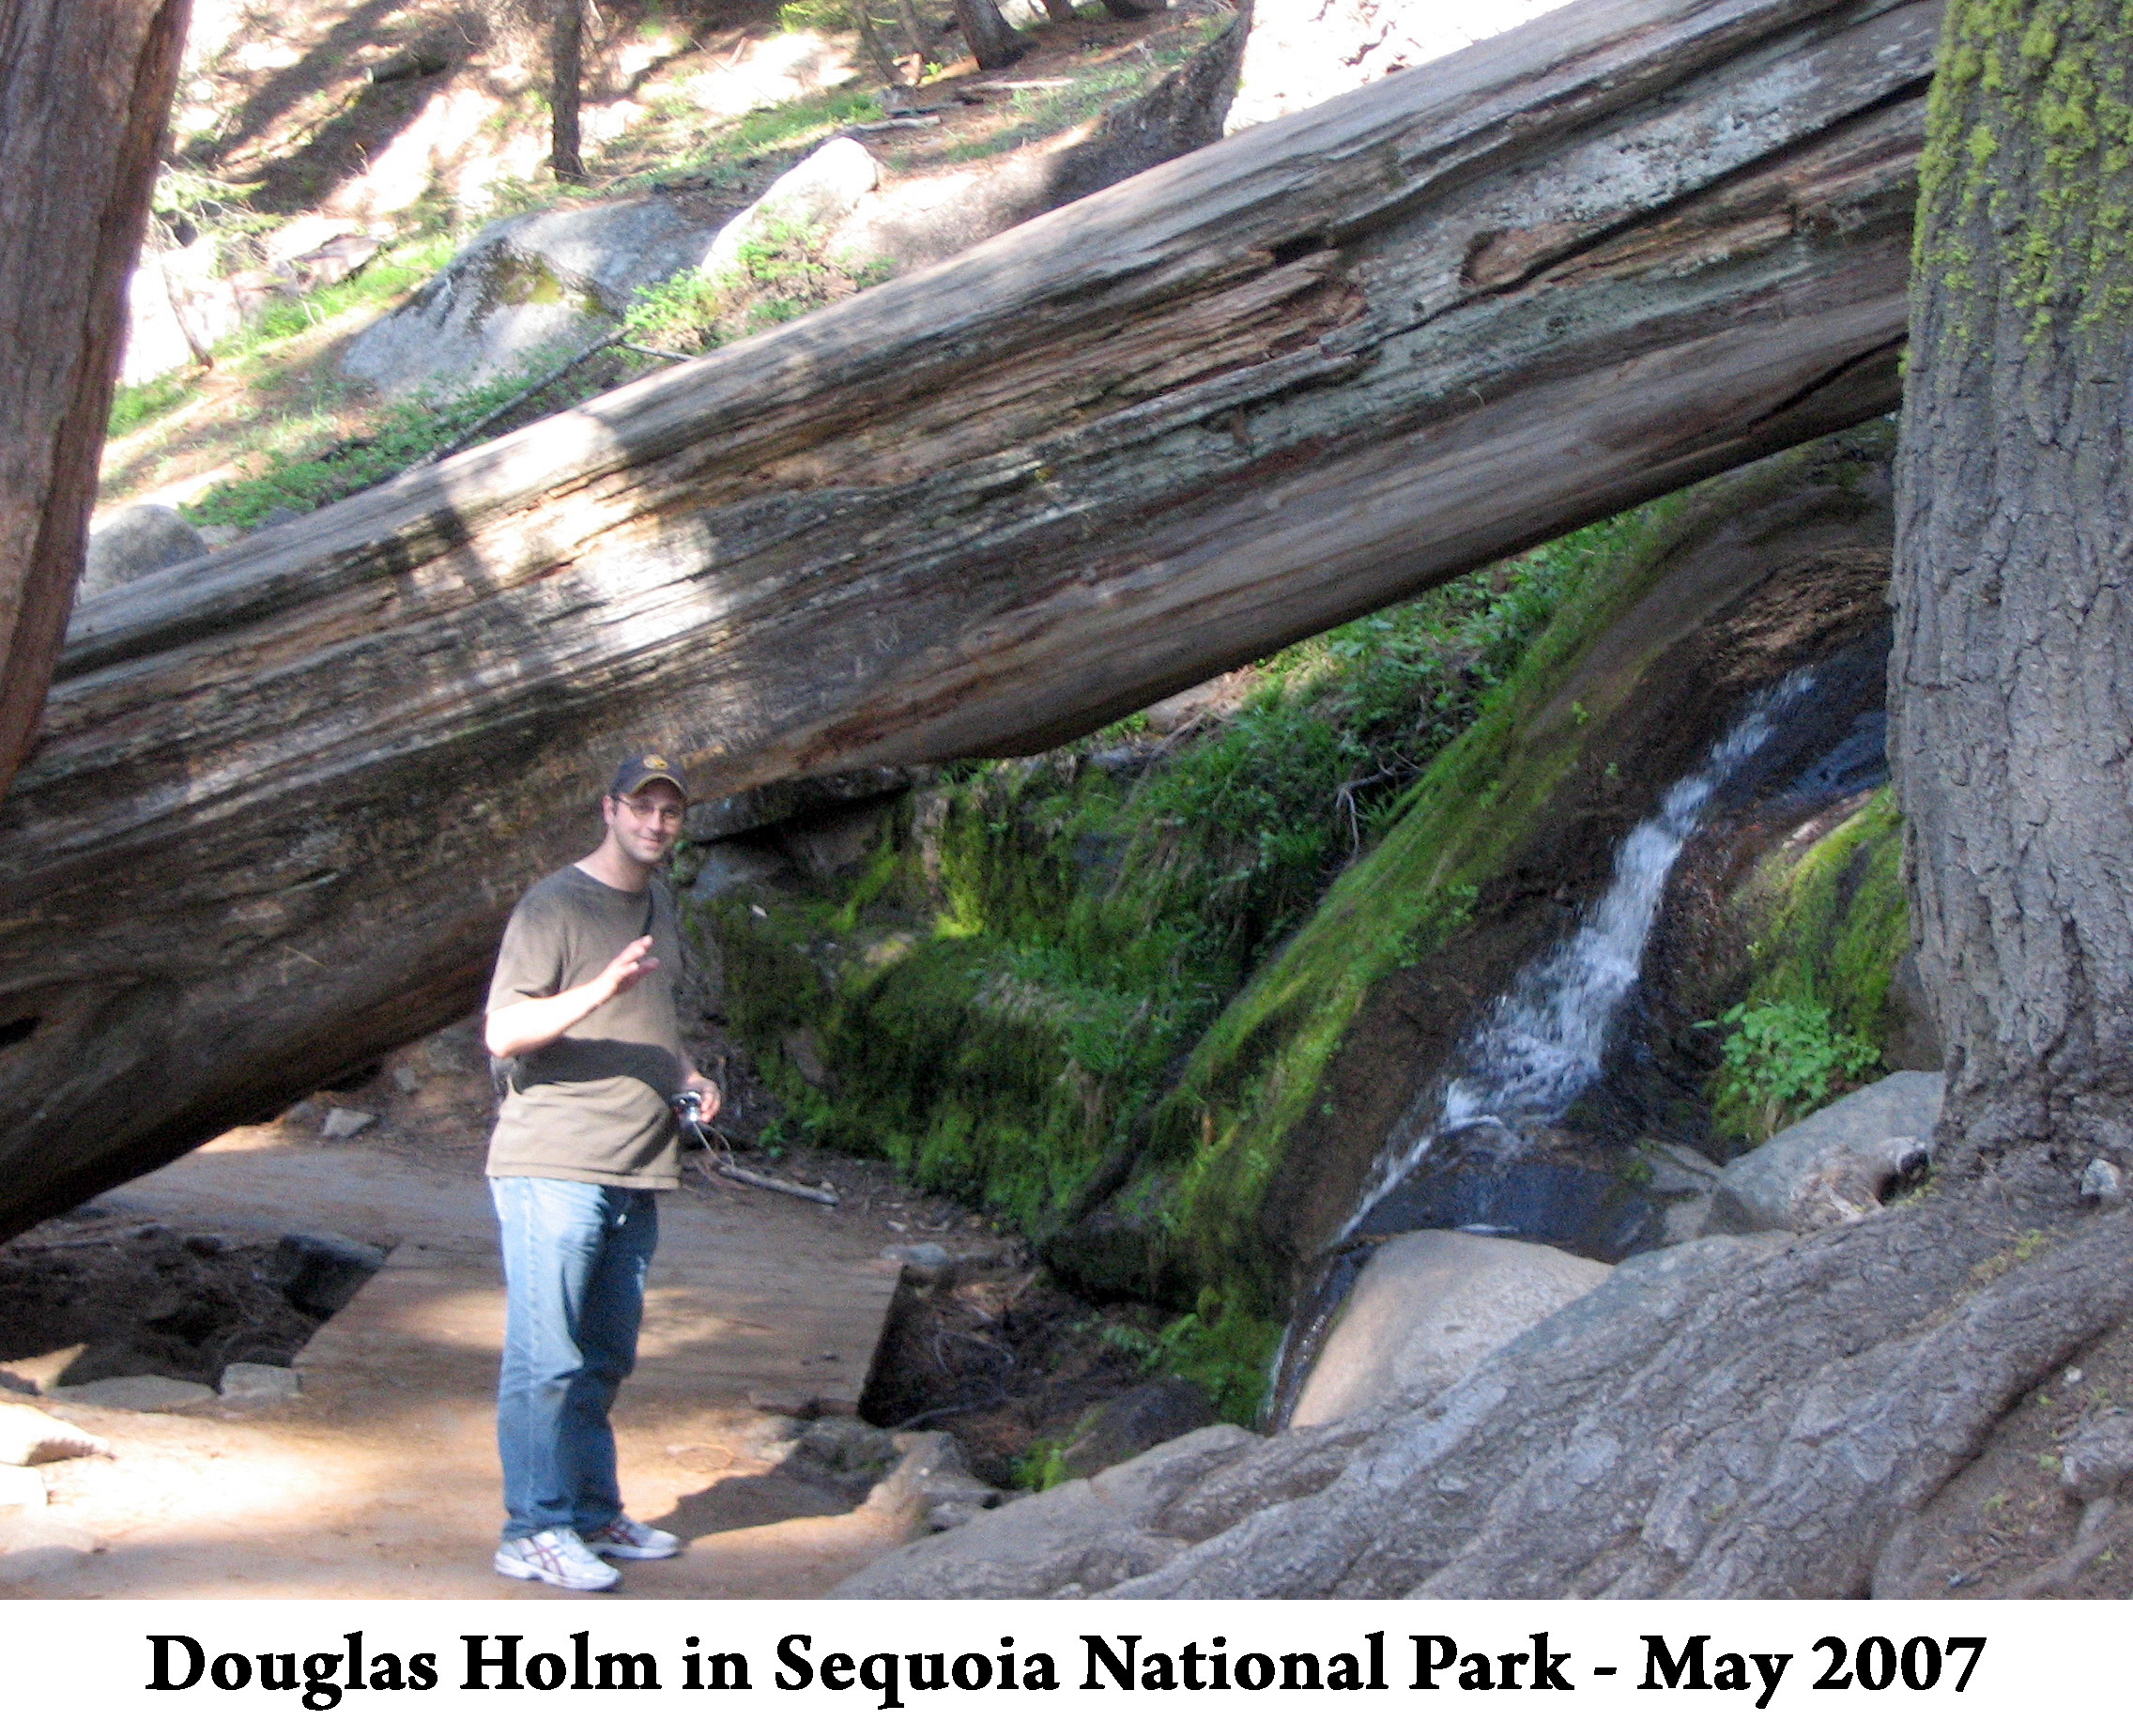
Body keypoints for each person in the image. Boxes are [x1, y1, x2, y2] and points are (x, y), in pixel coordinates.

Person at [480, 751, 722, 1591]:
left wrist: (687, 1076)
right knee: (545, 1358)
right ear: (610, 809)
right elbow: (503, 1033)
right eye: (643, 808)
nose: (657, 824)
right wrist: (595, 988)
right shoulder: (554, 904)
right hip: (554, 1163)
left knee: (602, 1356)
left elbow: (649, 1014)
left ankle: (588, 1511)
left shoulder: (657, 898)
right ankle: (531, 1527)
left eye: (671, 812)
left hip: (637, 1165)